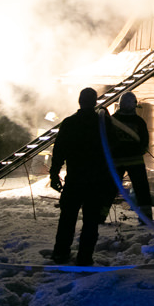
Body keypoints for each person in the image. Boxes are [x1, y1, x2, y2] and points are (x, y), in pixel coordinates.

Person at [49, 87, 117, 266]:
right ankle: (85, 257)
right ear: (95, 102)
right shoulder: (103, 124)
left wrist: (54, 173)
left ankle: (60, 254)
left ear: (79, 101)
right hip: (95, 182)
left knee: (67, 219)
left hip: (75, 180)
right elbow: (113, 150)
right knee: (91, 222)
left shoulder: (70, 123)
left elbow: (59, 151)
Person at [109, 92, 153, 221]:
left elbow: (106, 139)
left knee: (109, 188)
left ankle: (100, 216)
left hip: (116, 161)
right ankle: (146, 218)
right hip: (135, 162)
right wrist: (140, 150)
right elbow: (145, 141)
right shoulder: (138, 121)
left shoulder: (111, 120)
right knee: (141, 189)